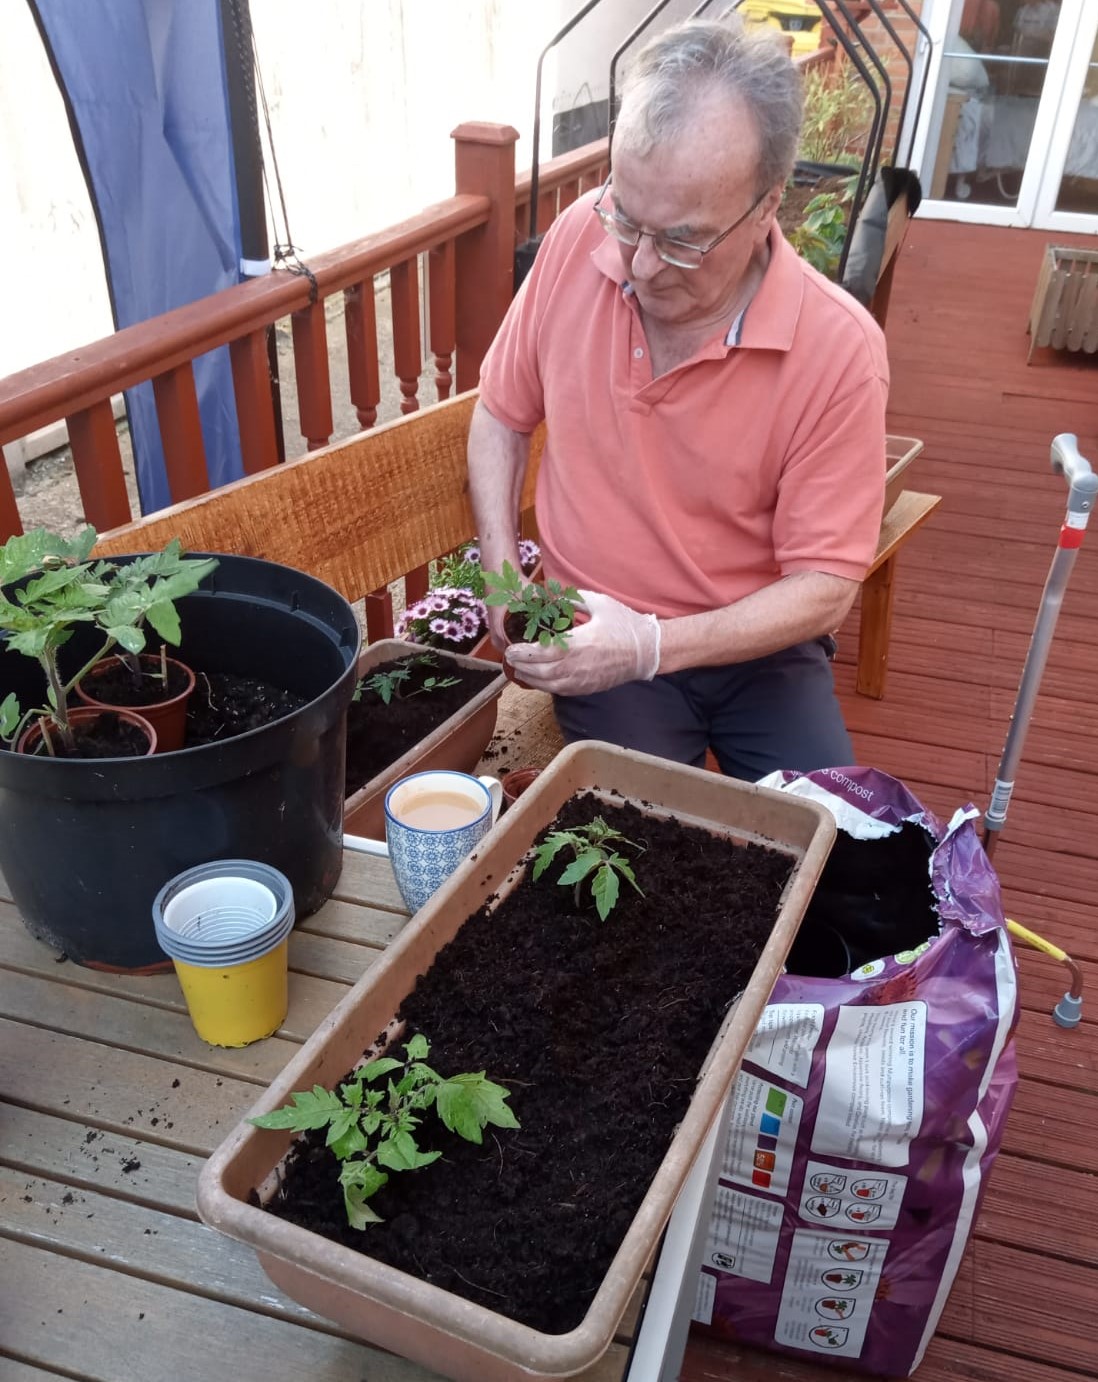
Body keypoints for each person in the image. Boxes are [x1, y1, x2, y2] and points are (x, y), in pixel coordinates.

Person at [467, 16, 888, 782]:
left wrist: (655, 643)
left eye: (683, 240)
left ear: (768, 208)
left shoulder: (838, 349)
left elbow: (824, 589)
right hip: (593, 626)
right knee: (651, 843)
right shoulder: (573, 244)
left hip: (758, 645)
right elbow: (500, 413)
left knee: (825, 837)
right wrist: (503, 579)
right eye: (626, 216)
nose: (640, 265)